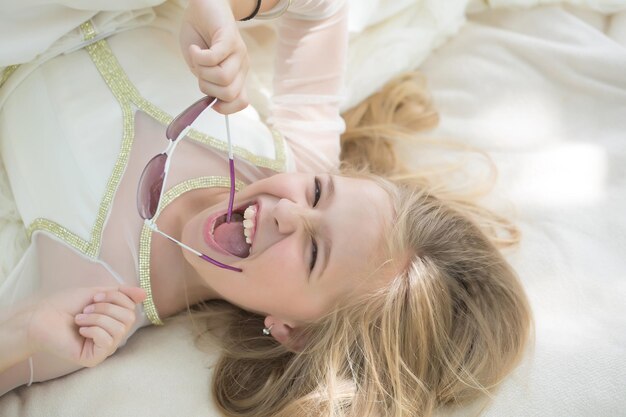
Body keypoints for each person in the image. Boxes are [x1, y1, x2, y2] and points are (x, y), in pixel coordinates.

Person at [0, 0, 532, 415]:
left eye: (313, 254)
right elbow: (321, 9)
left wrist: (23, 330)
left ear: (293, 331)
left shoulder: (91, 298)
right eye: (321, 193)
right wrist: (225, 12)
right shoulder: (295, 161)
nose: (288, 211)